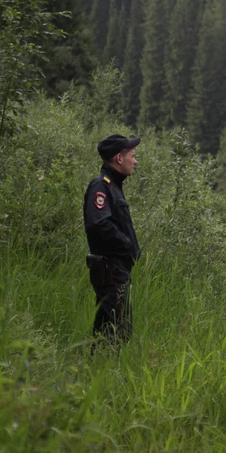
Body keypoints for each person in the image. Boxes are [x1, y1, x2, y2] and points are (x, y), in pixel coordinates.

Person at [83, 134, 142, 345]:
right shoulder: (101, 186)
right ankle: (112, 369)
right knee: (119, 327)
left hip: (117, 269)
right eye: (132, 156)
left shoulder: (113, 186)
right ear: (119, 158)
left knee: (107, 324)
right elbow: (98, 224)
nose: (135, 161)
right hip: (110, 269)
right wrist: (126, 244)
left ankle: (95, 367)